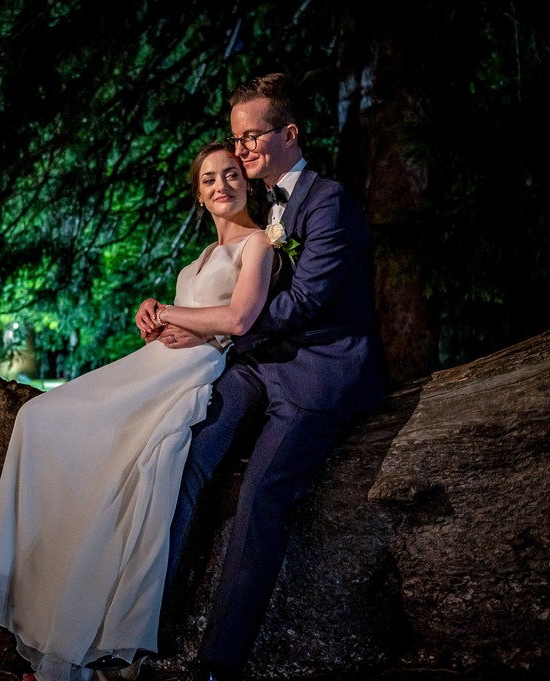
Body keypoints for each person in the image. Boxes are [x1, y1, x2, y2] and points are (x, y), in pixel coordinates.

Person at [0, 141, 284, 681]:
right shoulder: (197, 260)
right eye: (208, 181)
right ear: (200, 198)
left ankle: (93, 638)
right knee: (40, 420)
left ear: (247, 183)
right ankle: (38, 590)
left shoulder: (258, 245)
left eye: (229, 175)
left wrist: (178, 314)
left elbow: (236, 319)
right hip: (154, 361)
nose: (220, 186)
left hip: (189, 372)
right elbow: (190, 313)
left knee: (109, 456)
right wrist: (153, 312)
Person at [159, 73, 387, 681]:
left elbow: (305, 303)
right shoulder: (266, 208)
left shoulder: (329, 201)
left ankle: (218, 662)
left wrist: (216, 328)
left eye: (252, 136)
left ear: (289, 133)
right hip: (263, 366)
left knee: (261, 498)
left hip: (319, 374)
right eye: (236, 139)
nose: (240, 151)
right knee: (186, 447)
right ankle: (142, 620)